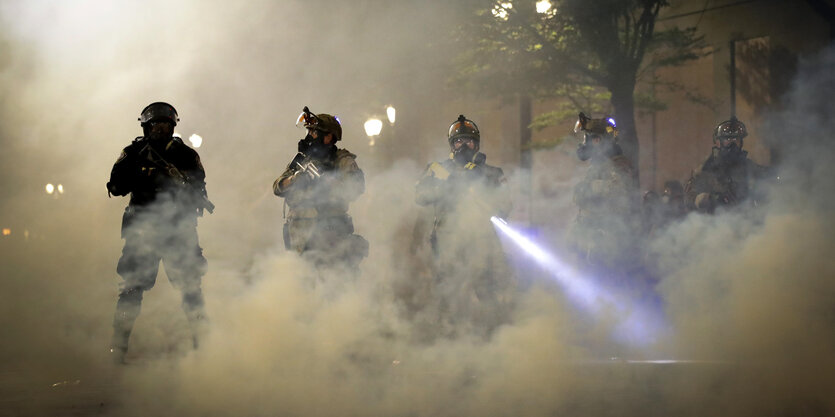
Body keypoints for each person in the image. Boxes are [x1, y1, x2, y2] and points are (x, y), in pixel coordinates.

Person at [106, 102, 213, 363]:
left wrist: (180, 185)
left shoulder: (186, 155)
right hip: (143, 229)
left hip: (178, 229)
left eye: (166, 125)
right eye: (156, 125)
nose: (161, 129)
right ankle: (118, 348)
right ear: (146, 127)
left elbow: (199, 188)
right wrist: (145, 176)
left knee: (191, 288)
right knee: (131, 290)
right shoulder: (132, 153)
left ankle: (205, 347)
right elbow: (116, 186)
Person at [415, 115, 512, 337]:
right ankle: (450, 339)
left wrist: (481, 185)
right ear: (451, 144)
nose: (464, 145)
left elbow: (505, 207)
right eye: (459, 141)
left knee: (488, 294)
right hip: (447, 243)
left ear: (477, 144)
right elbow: (420, 196)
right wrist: (445, 187)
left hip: (482, 243)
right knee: (449, 293)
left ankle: (494, 340)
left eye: (468, 141)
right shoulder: (436, 169)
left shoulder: (493, 173)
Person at [273, 107, 367, 274]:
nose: (310, 137)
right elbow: (277, 187)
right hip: (299, 239)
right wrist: (295, 180)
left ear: (328, 137)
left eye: (314, 133)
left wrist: (326, 181)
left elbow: (356, 189)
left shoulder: (342, 161)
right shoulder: (302, 160)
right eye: (309, 132)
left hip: (330, 238)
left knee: (333, 286)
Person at [568, 112, 640, 276]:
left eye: (586, 138)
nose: (583, 144)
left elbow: (619, 196)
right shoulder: (599, 166)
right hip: (594, 241)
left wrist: (592, 188)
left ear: (597, 140)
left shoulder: (618, 166)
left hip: (607, 242)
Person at [684, 117, 770, 213]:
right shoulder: (707, 168)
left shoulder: (748, 166)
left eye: (736, 139)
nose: (732, 143)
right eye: (728, 139)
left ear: (741, 142)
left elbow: (769, 178)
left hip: (745, 221)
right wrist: (711, 199)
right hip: (714, 223)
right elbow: (689, 197)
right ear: (718, 142)